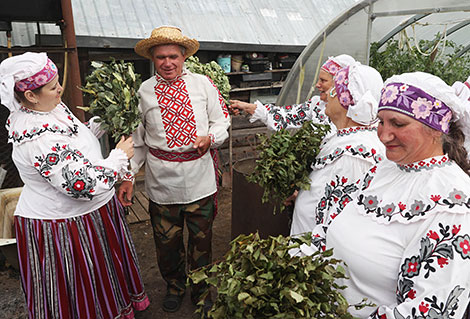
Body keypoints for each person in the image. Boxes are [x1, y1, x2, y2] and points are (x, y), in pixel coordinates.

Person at [0, 52, 149, 318]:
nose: (60, 89)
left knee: (103, 275)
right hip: (64, 224)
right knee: (80, 283)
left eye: (58, 81)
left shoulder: (50, 108)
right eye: (52, 86)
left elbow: (71, 144)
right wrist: (118, 157)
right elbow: (79, 185)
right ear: (31, 96)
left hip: (91, 214)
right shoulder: (36, 137)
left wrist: (97, 125)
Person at [323, 72, 470, 318]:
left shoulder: (452, 205)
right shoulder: (382, 169)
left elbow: (427, 311)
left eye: (398, 124)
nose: (383, 135)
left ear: (435, 129)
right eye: (381, 121)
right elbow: (329, 222)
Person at [118, 26, 231, 313]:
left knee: (201, 241)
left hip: (200, 179)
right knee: (166, 243)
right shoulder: (143, 92)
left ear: (184, 57)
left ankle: (201, 288)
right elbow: (138, 142)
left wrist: (211, 138)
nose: (167, 63)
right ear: (152, 60)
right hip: (161, 182)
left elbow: (222, 122)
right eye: (160, 57)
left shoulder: (203, 85)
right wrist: (128, 176)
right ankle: (175, 285)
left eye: (172, 56)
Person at [290, 62, 386, 236]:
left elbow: (338, 222)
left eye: (333, 89)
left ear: (345, 100)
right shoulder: (345, 137)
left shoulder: (356, 154)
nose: (326, 95)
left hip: (318, 256)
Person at [229, 54, 356, 131]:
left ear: (338, 84)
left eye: (323, 80)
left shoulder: (356, 114)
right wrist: (248, 107)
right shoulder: (316, 105)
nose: (317, 85)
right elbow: (285, 115)